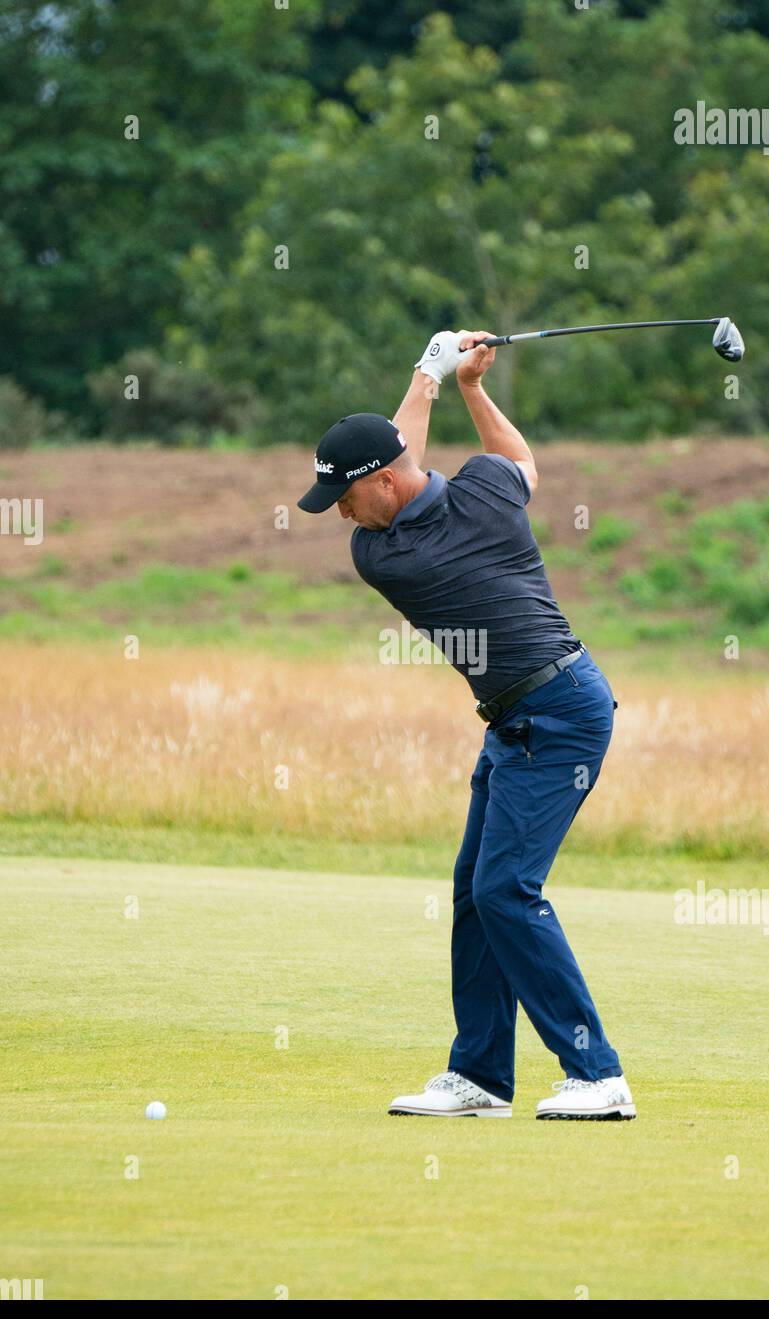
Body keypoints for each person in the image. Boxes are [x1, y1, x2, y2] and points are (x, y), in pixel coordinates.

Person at [297, 330, 635, 1121]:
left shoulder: (387, 554)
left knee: (506, 890)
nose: (338, 513)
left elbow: (403, 449)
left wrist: (436, 375)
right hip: (521, 716)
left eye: (343, 496)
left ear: (379, 486)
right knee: (474, 894)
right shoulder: (484, 490)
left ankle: (598, 1075)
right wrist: (465, 385)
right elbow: (519, 463)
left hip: (559, 715)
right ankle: (481, 1075)